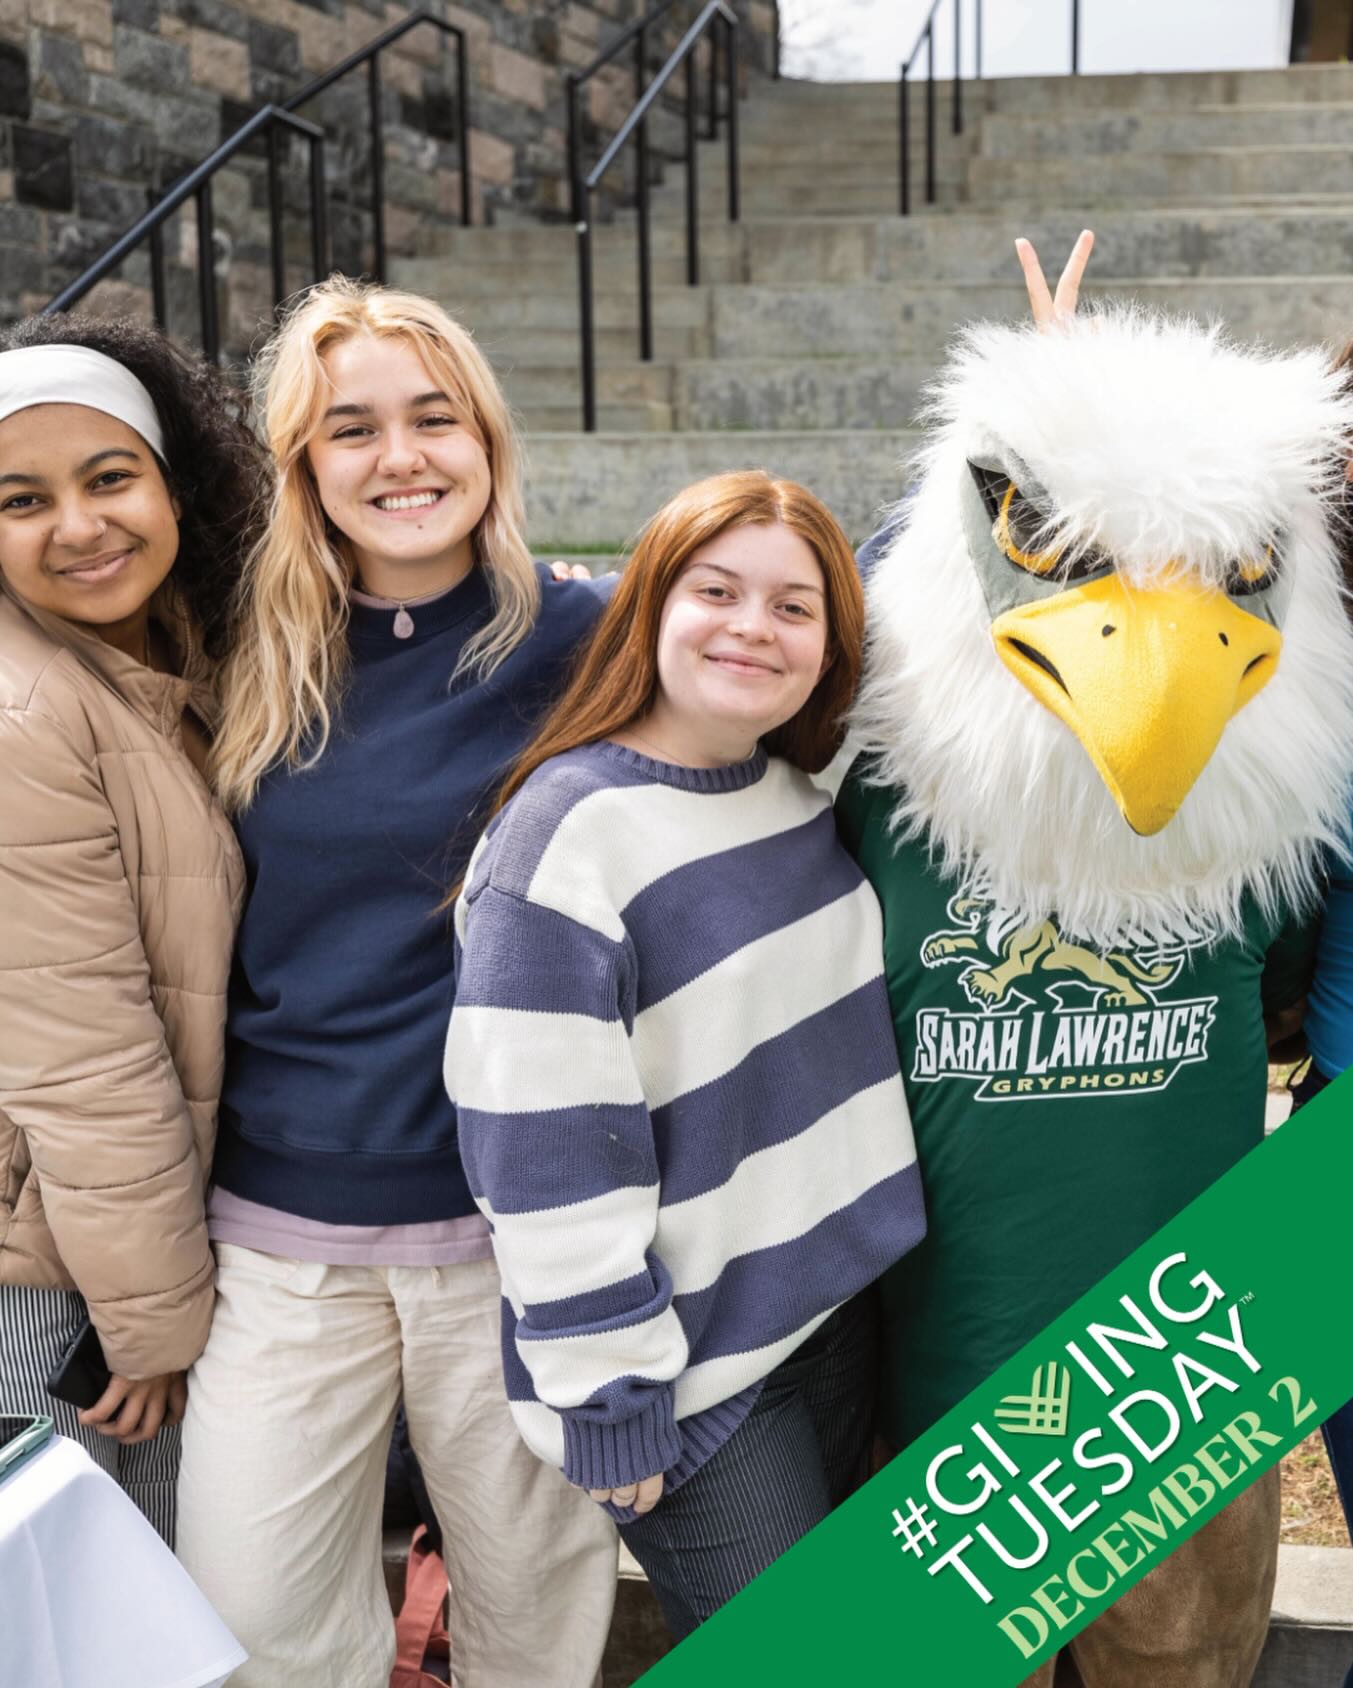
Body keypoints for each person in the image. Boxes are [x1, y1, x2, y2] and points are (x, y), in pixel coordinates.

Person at [838, 233, 1351, 1688]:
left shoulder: (1272, 813)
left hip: (1179, 1391)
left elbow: (1295, 1004)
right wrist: (1051, 415)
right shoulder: (874, 786)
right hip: (932, 1384)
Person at [180, 278, 619, 1688]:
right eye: (351, 430)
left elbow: (826, 623)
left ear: (487, 439)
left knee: (534, 1635)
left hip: (517, 1234)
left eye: (435, 418)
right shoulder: (243, 653)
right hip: (281, 1236)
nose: (401, 457)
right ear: (304, 467)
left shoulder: (589, 637)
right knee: (253, 1629)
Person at [444, 469, 927, 1640]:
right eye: (716, 590)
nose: (753, 626)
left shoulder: (801, 794)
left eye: (794, 606)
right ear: (649, 603)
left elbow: (947, 569)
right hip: (701, 1375)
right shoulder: (569, 836)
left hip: (838, 1313)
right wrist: (612, 1398)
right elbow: (542, 1146)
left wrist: (1035, 412)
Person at [0, 314, 267, 1543]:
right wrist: (148, 1320)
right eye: (21, 499)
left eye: (110, 476)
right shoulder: (26, 711)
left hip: (129, 1245)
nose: (79, 524)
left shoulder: (168, 658)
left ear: (174, 480)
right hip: (67, 1288)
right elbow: (83, 1049)